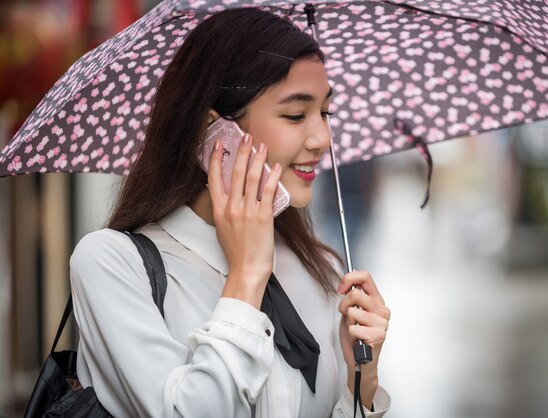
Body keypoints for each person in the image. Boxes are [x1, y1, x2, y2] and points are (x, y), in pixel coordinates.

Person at [69, 8, 391, 418]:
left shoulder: (321, 269)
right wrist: (246, 277)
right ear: (215, 131)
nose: (323, 138)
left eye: (326, 113)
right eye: (295, 114)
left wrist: (360, 382)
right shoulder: (111, 264)